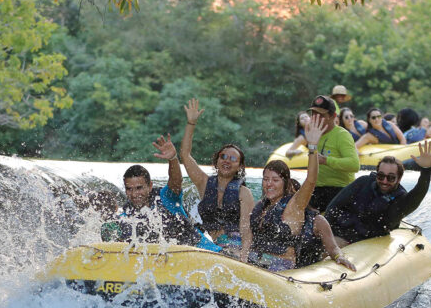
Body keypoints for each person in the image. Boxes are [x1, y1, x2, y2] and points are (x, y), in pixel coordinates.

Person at [251, 115, 355, 272]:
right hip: (256, 262)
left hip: (281, 267)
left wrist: (312, 145)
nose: (269, 184)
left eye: (275, 180)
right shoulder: (261, 206)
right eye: (265, 179)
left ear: (285, 183)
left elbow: (311, 180)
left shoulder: (295, 206)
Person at [102, 135, 219, 251]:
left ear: (150, 186)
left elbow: (176, 182)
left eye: (139, 188)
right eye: (129, 189)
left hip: (204, 252)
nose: (134, 194)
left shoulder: (165, 198)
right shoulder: (126, 216)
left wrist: (173, 159)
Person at [180, 98, 255, 260]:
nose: (227, 161)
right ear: (217, 161)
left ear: (240, 167)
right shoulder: (204, 183)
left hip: (234, 246)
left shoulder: (244, 193)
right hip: (211, 246)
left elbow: (246, 230)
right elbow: (185, 155)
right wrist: (191, 123)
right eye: (223, 157)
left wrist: (244, 256)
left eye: (233, 159)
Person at [324, 140, 431, 246]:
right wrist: (327, 235)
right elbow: (334, 207)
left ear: (399, 178)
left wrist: (426, 170)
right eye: (381, 176)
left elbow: (418, 193)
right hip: (338, 231)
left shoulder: (400, 201)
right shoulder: (363, 182)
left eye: (391, 178)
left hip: (364, 242)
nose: (384, 181)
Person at [306, 94, 360, 212]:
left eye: (321, 115)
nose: (316, 118)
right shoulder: (312, 133)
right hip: (316, 189)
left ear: (333, 116)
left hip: (339, 190)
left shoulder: (342, 135)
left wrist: (326, 160)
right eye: (313, 114)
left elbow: (355, 165)